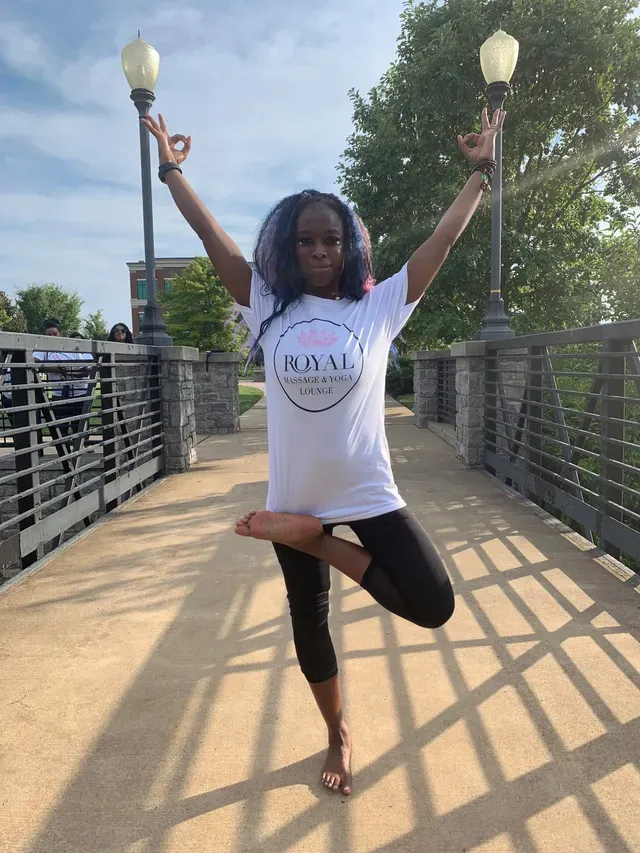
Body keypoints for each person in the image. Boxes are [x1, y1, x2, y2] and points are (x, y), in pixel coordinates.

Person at [142, 105, 505, 796]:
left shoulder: (379, 306)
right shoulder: (266, 304)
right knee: (310, 622)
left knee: (433, 601)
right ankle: (337, 732)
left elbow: (442, 243)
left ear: (349, 246)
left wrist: (481, 174)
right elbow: (212, 238)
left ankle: (312, 540)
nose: (317, 251)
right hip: (295, 494)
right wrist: (171, 171)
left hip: (367, 492)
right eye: (305, 240)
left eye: (330, 240)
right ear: (288, 245)